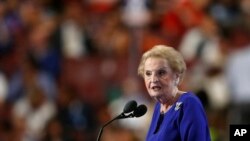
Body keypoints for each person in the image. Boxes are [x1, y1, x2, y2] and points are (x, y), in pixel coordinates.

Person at [137, 45, 211, 141]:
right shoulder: (158, 107)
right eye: (148, 73)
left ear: (176, 76)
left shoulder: (188, 103)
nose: (153, 79)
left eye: (161, 73)